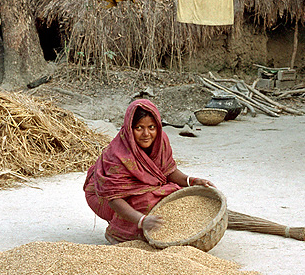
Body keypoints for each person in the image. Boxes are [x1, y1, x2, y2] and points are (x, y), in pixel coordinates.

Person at [84, 99, 214, 244]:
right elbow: (114, 199)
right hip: (103, 197)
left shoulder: (160, 141)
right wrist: (141, 220)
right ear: (129, 128)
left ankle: (146, 229)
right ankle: (118, 233)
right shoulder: (118, 154)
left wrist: (193, 181)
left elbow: (167, 170)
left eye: (151, 127)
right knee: (148, 199)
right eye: (139, 128)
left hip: (134, 191)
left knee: (175, 192)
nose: (146, 134)